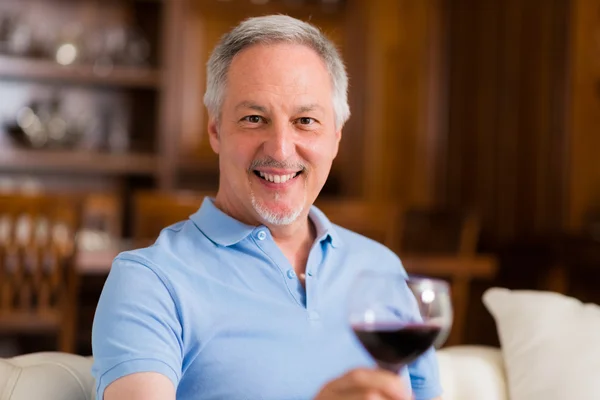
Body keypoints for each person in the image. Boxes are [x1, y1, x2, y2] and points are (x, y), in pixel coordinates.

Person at [91, 14, 443, 400]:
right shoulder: (149, 280)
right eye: (254, 118)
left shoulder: (382, 268)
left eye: (305, 120)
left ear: (336, 138)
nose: (279, 149)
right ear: (216, 131)